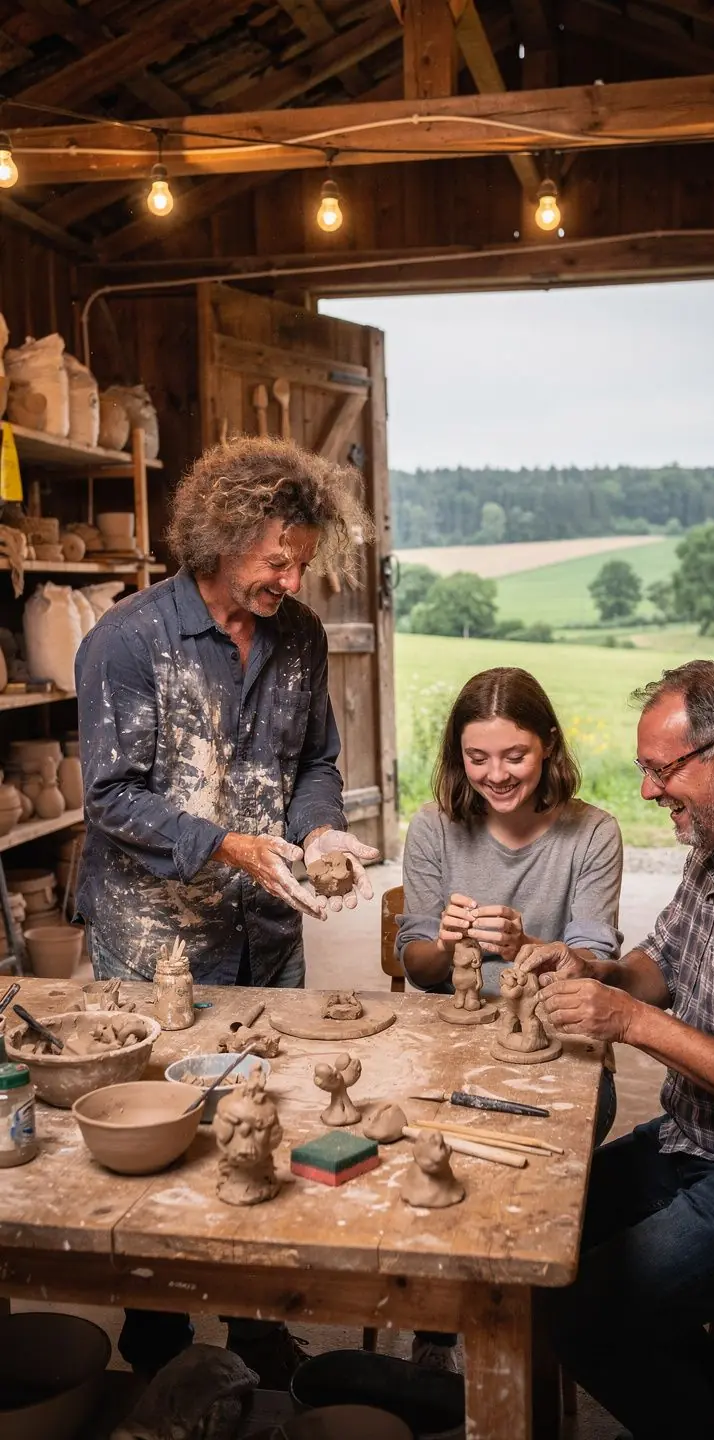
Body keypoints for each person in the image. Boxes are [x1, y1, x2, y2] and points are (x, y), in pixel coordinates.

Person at [75, 435, 379, 1385]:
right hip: (158, 936)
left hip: (267, 930)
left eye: (302, 559)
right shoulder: (127, 641)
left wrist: (320, 831)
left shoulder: (299, 637)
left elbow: (315, 762)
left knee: (261, 1123)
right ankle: (156, 1338)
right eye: (274, 558)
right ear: (216, 536)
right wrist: (228, 845)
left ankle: (255, 1329)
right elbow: (113, 797)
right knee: (161, 1137)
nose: (291, 577)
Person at [525, 660, 714, 1440]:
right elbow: (668, 959)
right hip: (699, 1140)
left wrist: (627, 1020)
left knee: (588, 1313)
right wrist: (597, 970)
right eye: (645, 770)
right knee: (539, 1245)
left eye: (661, 770)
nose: (650, 791)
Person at [397, 666, 623, 1371]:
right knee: (435, 1151)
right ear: (457, 757)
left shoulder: (593, 833)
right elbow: (417, 966)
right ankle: (436, 1336)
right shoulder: (435, 826)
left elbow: (593, 964)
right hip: (455, 1047)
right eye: (477, 757)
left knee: (521, 1178)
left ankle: (521, 1332)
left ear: (549, 747)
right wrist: (447, 942)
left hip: (556, 1053)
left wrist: (528, 948)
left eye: (515, 755)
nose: (496, 774)